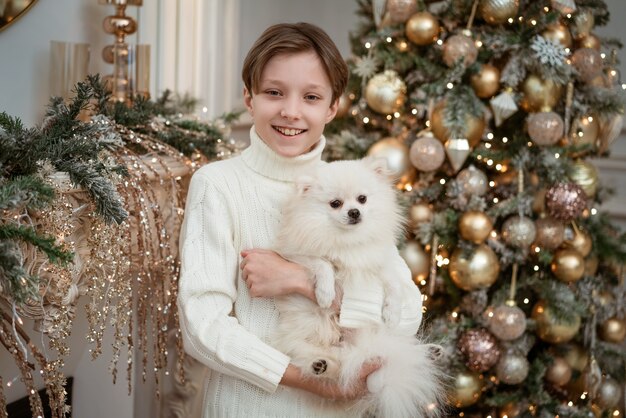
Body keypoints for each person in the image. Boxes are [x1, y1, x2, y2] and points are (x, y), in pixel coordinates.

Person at [177, 22, 423, 417]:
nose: (290, 111)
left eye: (311, 96)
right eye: (274, 92)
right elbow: (202, 328)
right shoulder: (218, 185)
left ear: (332, 107)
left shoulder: (351, 186)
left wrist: (300, 281)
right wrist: (312, 380)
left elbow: (407, 313)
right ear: (249, 97)